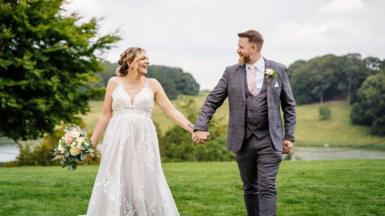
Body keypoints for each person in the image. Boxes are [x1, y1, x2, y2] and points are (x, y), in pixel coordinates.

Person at [193, 30, 296, 216]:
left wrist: (289, 135)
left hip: (270, 139)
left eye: (241, 47)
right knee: (250, 189)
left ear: (253, 48)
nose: (237, 50)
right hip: (243, 140)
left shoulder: (277, 70)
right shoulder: (231, 72)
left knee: (267, 187)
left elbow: (289, 105)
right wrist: (201, 126)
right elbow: (212, 100)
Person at [86, 47, 195, 216]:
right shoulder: (114, 82)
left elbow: (171, 111)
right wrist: (91, 142)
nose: (147, 61)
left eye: (147, 58)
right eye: (143, 58)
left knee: (145, 180)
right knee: (116, 177)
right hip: (118, 141)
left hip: (143, 141)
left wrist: (193, 129)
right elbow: (105, 114)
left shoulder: (153, 84)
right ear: (130, 62)